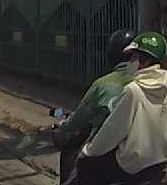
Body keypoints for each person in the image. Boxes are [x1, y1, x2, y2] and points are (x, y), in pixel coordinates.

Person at [75, 31, 167, 184]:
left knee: (85, 166)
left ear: (145, 61)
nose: (130, 62)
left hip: (131, 166)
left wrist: (87, 151)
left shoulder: (134, 90)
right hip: (162, 159)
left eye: (133, 57)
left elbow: (112, 132)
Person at [51, 28, 137, 183]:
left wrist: (62, 127)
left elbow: (77, 120)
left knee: (73, 152)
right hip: (144, 154)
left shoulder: (103, 85)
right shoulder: (152, 81)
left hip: (108, 154)